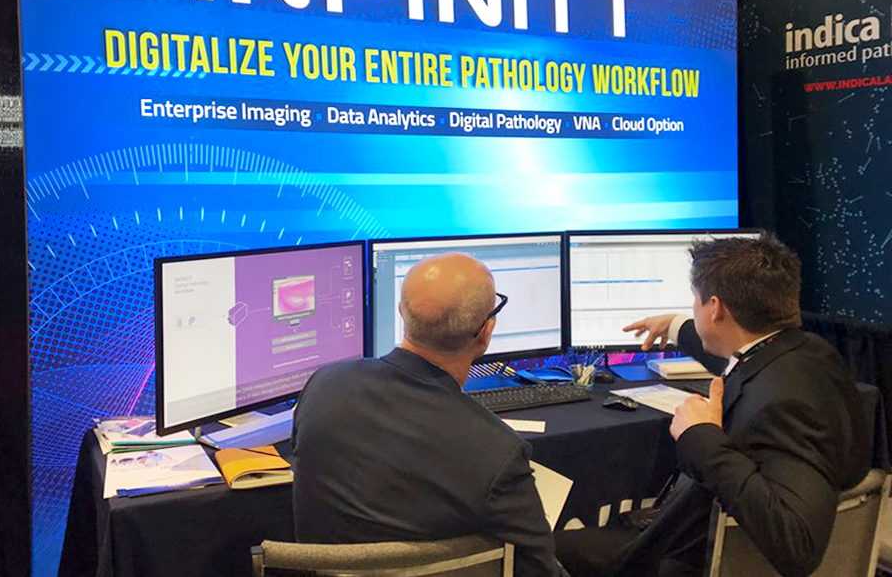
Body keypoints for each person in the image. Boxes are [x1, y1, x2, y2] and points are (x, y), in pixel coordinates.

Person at [555, 234, 871, 577]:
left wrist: (703, 438)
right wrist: (676, 327)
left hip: (682, 562)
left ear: (716, 308)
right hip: (695, 540)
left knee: (544, 548)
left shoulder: (782, 407)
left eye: (695, 301)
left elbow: (799, 548)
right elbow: (741, 360)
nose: (694, 309)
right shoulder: (808, 352)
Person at [291, 253, 566, 577]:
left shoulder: (324, 383)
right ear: (485, 333)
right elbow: (540, 569)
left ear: (401, 313)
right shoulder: (499, 452)